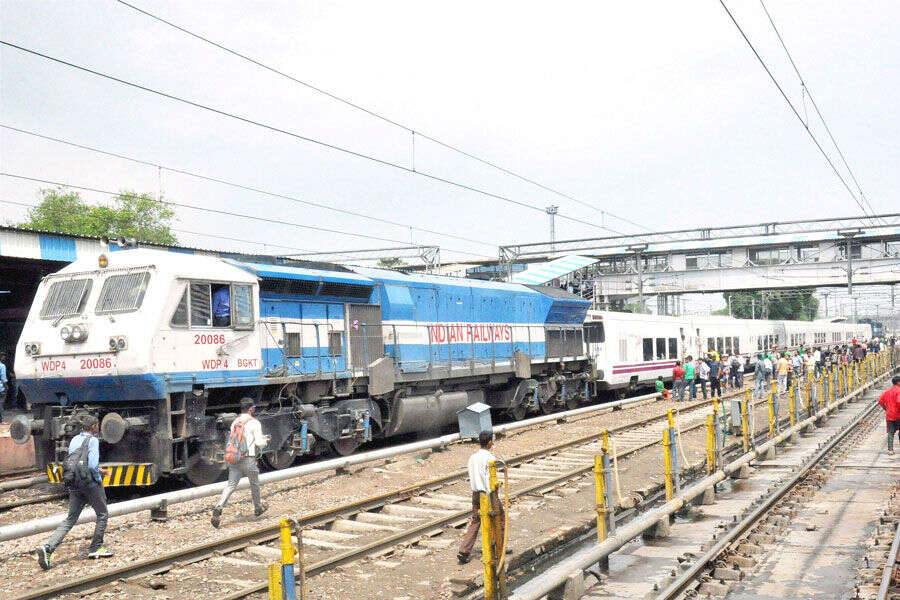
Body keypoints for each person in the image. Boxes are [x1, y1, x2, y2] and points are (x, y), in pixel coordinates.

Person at [35, 414, 113, 569]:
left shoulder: (75, 440)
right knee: (102, 514)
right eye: (96, 425)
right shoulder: (93, 440)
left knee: (70, 519)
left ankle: (48, 548)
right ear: (93, 427)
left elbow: (76, 462)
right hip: (90, 484)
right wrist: (98, 478)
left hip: (74, 483)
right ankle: (96, 547)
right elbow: (91, 466)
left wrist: (99, 471)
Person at [211, 399, 269, 527]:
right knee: (254, 484)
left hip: (234, 458)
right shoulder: (254, 423)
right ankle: (258, 508)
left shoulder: (234, 422)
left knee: (231, 485)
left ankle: (219, 506)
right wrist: (265, 440)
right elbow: (259, 443)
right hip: (248, 459)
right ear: (250, 409)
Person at [458, 431, 507, 564]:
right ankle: (500, 547)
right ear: (490, 442)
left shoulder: (472, 457)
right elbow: (491, 477)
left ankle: (464, 550)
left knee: (476, 521)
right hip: (488, 494)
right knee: (500, 518)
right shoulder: (490, 458)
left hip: (475, 493)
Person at [878, 376, 900, 456]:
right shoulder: (899, 390)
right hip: (898, 414)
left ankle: (890, 450)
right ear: (898, 382)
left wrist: (886, 409)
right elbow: (899, 402)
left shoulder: (887, 391)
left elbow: (880, 401)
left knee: (891, 432)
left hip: (890, 415)